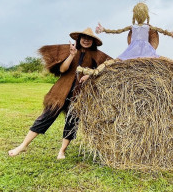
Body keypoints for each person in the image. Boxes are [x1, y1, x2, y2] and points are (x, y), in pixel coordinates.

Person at [8, 28, 111, 159]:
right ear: (78, 39)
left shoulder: (97, 55)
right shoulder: (71, 50)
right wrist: (72, 55)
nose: (86, 40)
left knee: (72, 122)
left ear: (93, 41)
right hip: (60, 92)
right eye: (83, 37)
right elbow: (63, 69)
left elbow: (108, 66)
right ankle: (23, 146)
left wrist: (90, 76)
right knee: (45, 117)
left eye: (89, 38)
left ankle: (62, 151)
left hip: (80, 95)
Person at [95, 2, 173, 60]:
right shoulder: (142, 27)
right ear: (147, 15)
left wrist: (104, 30)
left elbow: (117, 31)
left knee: (121, 59)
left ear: (134, 15)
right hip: (139, 48)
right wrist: (170, 34)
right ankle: (172, 61)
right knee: (157, 58)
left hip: (137, 48)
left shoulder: (135, 27)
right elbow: (161, 30)